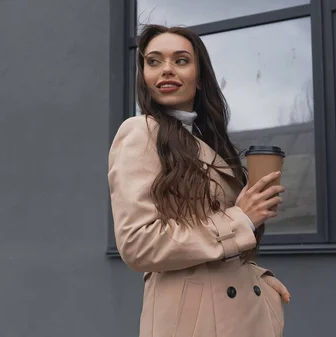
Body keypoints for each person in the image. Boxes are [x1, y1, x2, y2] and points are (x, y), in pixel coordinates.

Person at [108, 24, 289, 337]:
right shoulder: (140, 133)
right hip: (192, 323)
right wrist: (241, 219)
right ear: (144, 76)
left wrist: (256, 278)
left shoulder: (208, 141)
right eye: (153, 61)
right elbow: (138, 243)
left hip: (242, 313)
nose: (166, 70)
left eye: (180, 60)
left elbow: (211, 242)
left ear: (201, 76)